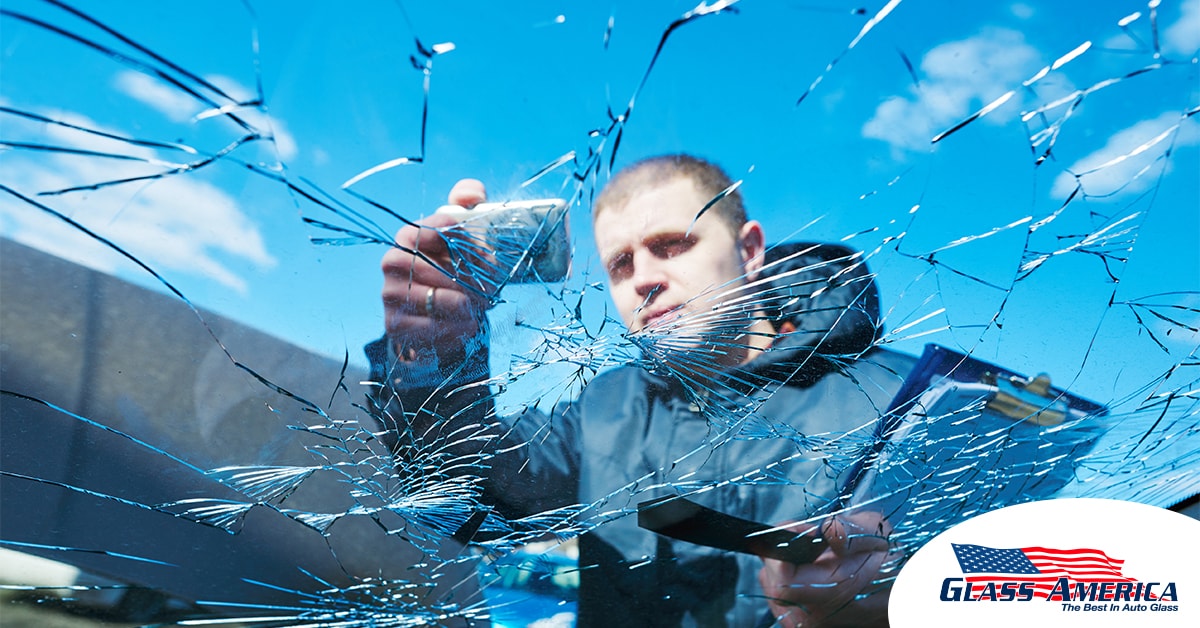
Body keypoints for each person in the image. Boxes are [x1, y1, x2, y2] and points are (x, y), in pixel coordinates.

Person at [366, 154, 915, 626]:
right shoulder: (605, 406)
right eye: (620, 263)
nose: (644, 280)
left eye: (672, 244)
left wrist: (904, 591)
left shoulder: (904, 401)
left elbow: (987, 572)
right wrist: (430, 359)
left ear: (749, 252)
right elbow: (477, 498)